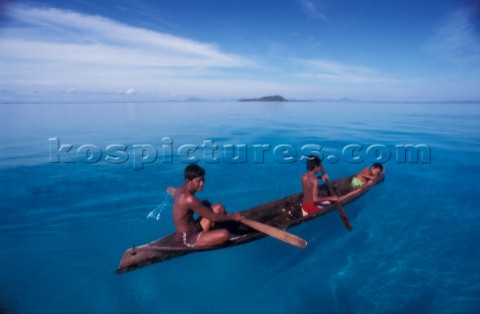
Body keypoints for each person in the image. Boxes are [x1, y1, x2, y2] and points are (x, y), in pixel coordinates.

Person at [173, 164, 241, 248]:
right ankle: (211, 234)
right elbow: (213, 217)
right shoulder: (189, 199)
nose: (202, 184)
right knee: (225, 234)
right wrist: (234, 217)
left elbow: (190, 203)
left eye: (203, 180)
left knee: (219, 207)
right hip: (188, 239)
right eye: (198, 181)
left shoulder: (181, 189)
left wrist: (201, 202)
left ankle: (209, 234)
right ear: (188, 181)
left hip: (196, 227)